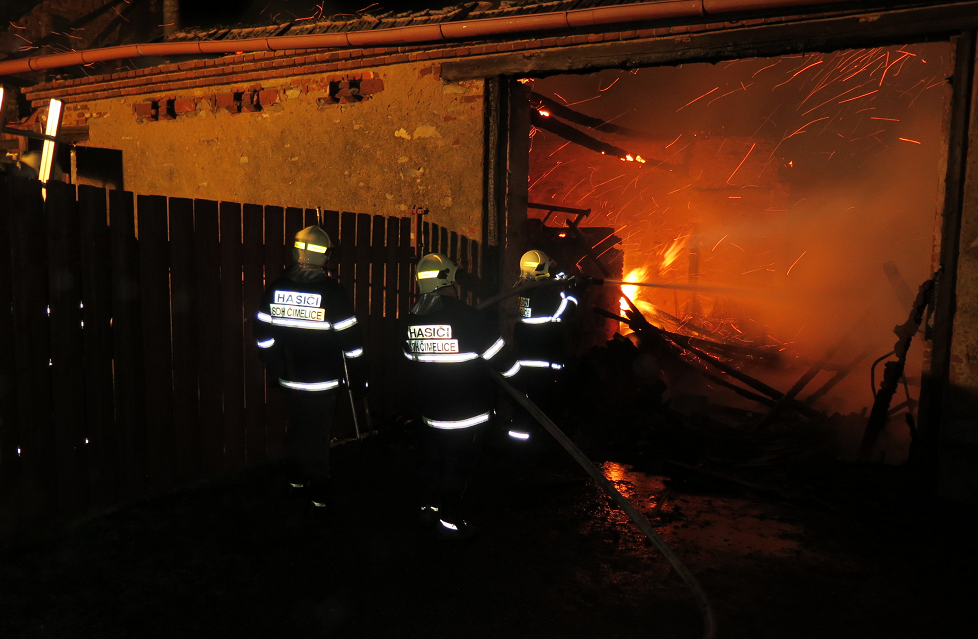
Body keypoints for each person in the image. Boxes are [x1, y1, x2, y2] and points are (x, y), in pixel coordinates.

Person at [402, 253, 515, 539]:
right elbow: (503, 361)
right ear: (448, 280)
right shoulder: (469, 317)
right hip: (467, 415)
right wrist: (520, 379)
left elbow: (408, 357)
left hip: (430, 412)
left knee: (432, 459)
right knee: (458, 465)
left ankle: (427, 508)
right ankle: (450, 521)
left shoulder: (411, 319)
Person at [254, 225, 365, 513]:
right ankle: (319, 491)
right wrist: (358, 374)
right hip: (323, 382)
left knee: (298, 429)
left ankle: (295, 480)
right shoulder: (332, 292)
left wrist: (275, 363)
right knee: (317, 435)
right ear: (326, 256)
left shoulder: (276, 288)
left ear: (295, 250)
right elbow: (350, 341)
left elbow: (262, 334)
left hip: (289, 378)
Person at [506, 249, 579, 441]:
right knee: (543, 408)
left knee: (525, 406)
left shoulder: (525, 289)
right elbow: (568, 309)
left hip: (525, 361)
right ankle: (541, 447)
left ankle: (519, 449)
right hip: (543, 363)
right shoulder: (544, 294)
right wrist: (572, 290)